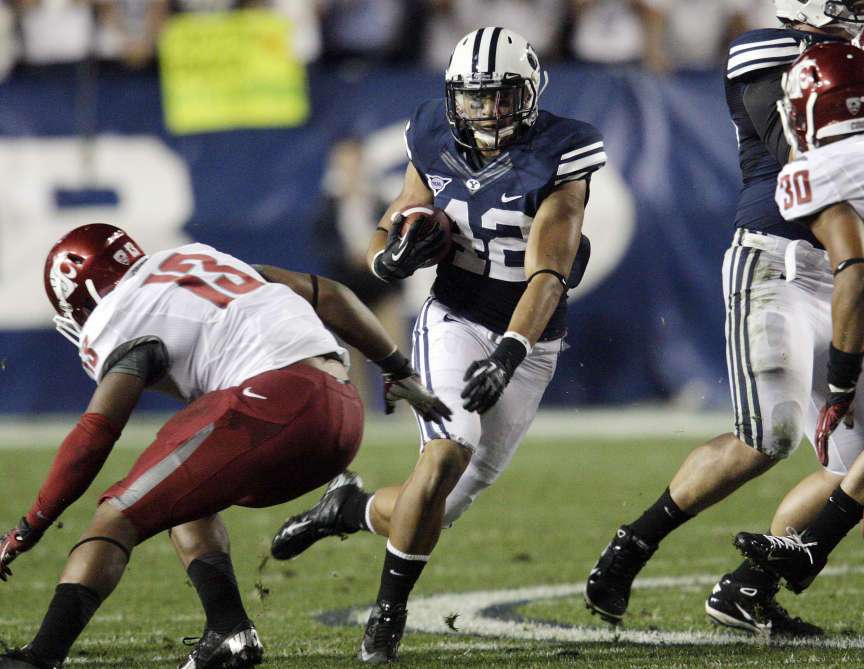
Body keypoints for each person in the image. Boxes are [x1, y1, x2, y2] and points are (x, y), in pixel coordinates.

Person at [270, 26, 602, 663]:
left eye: (501, 97)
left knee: (441, 505)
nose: (486, 112)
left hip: (531, 333)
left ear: (529, 94)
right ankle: (388, 614)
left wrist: (509, 353)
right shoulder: (430, 132)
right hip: (454, 313)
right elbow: (392, 222)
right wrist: (390, 259)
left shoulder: (565, 149)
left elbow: (549, 271)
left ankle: (348, 509)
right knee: (448, 450)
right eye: (473, 98)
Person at [0, 223, 449, 669]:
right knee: (183, 490)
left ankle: (41, 657)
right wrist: (397, 368)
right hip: (342, 414)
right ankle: (227, 630)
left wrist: (28, 527)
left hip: (275, 403)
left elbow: (95, 434)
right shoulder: (201, 260)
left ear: (85, 296)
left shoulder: (122, 314)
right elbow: (332, 295)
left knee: (117, 514)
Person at [584, 0, 864, 637]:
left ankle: (749, 589)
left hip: (853, 269)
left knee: (851, 469)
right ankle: (634, 543)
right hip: (780, 264)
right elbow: (800, 139)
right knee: (771, 435)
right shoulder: (766, 50)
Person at [734, 40, 864, 595]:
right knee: (850, 469)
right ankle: (794, 557)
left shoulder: (806, 174)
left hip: (840, 304)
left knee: (846, 469)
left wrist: (840, 379)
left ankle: (797, 556)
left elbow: (853, 269)